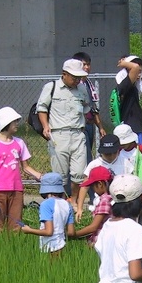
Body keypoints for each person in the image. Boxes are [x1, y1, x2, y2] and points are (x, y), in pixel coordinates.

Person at [35, 58, 92, 202]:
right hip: (58, 135)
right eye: (74, 77)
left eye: (79, 77)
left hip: (78, 134)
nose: (77, 81)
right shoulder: (51, 87)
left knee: (79, 172)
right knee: (59, 173)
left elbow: (86, 107)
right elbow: (41, 108)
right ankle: (59, 201)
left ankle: (73, 199)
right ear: (64, 74)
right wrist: (45, 126)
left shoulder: (82, 89)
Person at [0, 106, 43, 232]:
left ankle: (14, 247)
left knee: (16, 225)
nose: (17, 124)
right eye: (14, 122)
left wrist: (41, 176)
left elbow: (26, 167)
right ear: (6, 123)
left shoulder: (19, 143)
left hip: (16, 190)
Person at [20, 172, 75, 258]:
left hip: (50, 248)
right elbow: (71, 232)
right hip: (62, 246)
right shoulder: (67, 205)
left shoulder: (46, 204)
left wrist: (29, 230)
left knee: (50, 269)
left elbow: (49, 232)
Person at [76, 134, 122, 221]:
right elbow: (84, 186)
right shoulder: (94, 164)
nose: (110, 156)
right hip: (101, 203)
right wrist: (79, 208)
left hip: (121, 203)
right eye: (107, 154)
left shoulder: (124, 161)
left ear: (118, 151)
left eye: (113, 153)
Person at [72, 52, 107, 162]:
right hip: (78, 126)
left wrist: (100, 127)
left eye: (88, 64)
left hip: (89, 125)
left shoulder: (88, 84)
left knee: (88, 154)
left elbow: (94, 108)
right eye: (83, 64)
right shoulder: (73, 85)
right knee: (84, 156)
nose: (86, 67)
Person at [73, 166, 113, 245]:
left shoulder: (105, 201)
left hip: (100, 241)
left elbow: (94, 227)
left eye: (92, 186)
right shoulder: (110, 197)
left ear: (100, 184)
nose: (92, 189)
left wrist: (74, 235)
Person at [115, 55, 142, 142]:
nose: (139, 74)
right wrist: (123, 63)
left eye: (141, 71)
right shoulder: (125, 85)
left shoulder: (134, 85)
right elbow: (135, 67)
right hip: (130, 127)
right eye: (138, 71)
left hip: (136, 126)